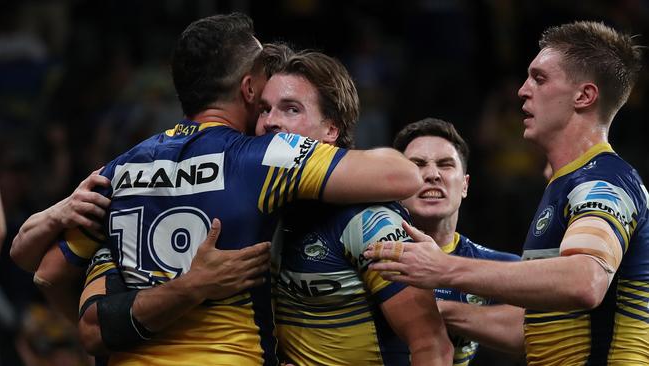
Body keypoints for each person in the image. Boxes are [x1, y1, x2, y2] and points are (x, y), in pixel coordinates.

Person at [18, 13, 423, 366]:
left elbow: (48, 274)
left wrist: (121, 325)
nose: (271, 114)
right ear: (248, 89)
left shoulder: (120, 167)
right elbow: (402, 176)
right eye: (265, 96)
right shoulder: (265, 156)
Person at [364, 21, 647, 365]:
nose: (522, 90)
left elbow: (584, 281)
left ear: (584, 96)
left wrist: (443, 269)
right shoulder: (567, 185)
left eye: (540, 79)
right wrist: (436, 309)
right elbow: (532, 330)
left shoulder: (603, 180)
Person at [254, 52, 452, 365]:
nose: (269, 122)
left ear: (331, 130)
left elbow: (434, 348)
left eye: (291, 109)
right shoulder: (265, 206)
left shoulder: (370, 222)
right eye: (264, 109)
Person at [392, 118, 524, 365]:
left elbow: (537, 327)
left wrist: (439, 310)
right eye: (418, 164)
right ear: (396, 183)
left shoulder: (496, 265)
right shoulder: (368, 252)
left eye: (445, 164)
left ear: (464, 185)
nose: (432, 174)